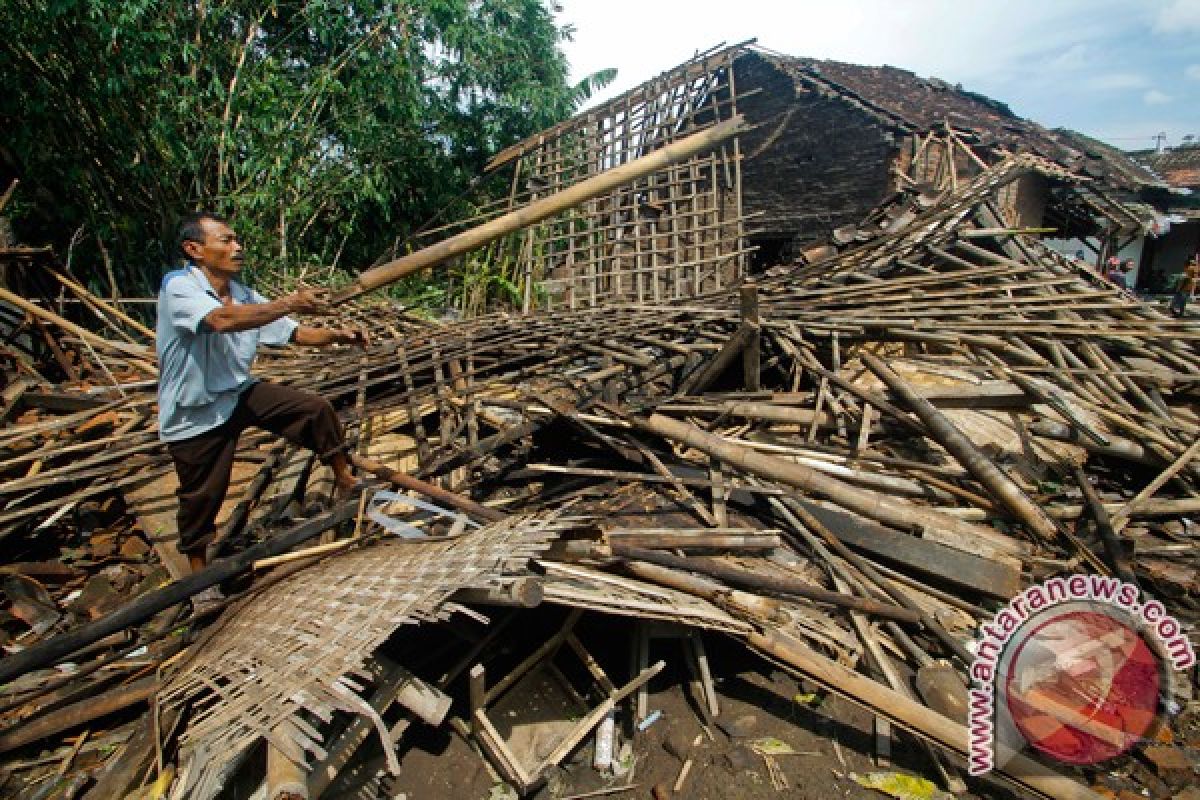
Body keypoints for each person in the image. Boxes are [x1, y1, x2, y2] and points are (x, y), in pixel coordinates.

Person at [157, 211, 368, 608]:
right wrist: (289, 301)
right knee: (201, 497)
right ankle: (199, 582)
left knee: (314, 410)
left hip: (238, 393)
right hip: (195, 410)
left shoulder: (245, 294)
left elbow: (294, 333)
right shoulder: (178, 287)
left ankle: (344, 478)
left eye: (237, 240)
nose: (237, 248)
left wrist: (340, 335)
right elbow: (220, 321)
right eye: (226, 241)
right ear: (194, 250)